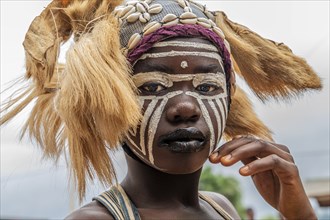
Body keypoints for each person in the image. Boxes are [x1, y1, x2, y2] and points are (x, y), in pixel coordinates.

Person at [0, 0, 322, 219]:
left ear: (229, 96)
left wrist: (299, 214)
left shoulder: (220, 209)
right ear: (110, 101)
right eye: (152, 86)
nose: (185, 107)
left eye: (207, 86)